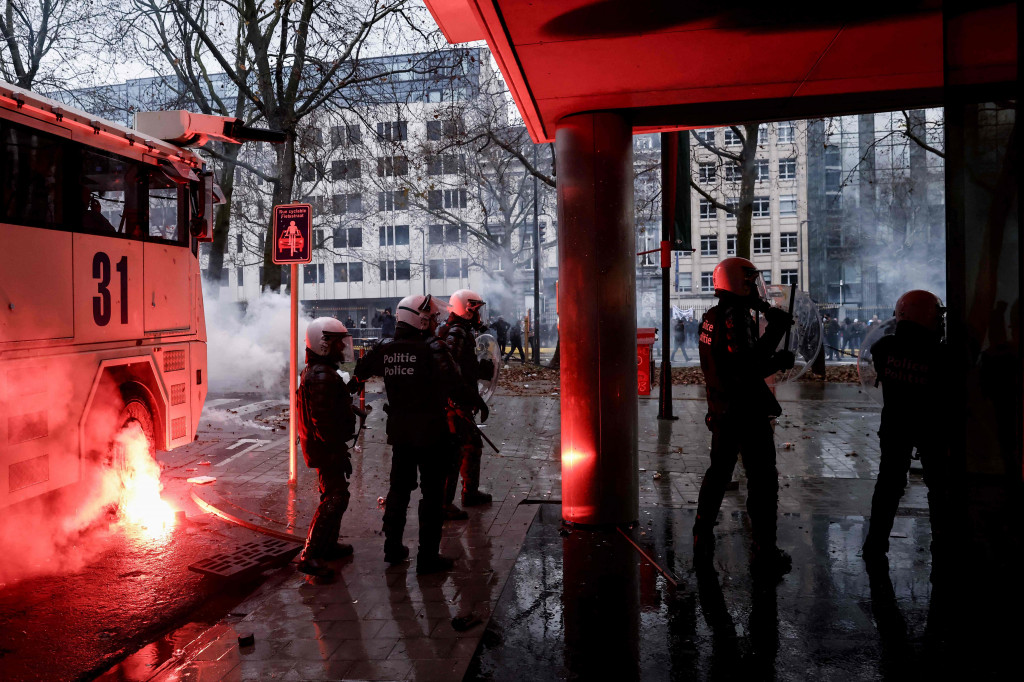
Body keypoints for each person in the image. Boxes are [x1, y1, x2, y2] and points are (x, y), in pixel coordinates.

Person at [693, 257, 796, 578]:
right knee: (763, 480)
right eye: (751, 282)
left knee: (718, 475)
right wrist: (777, 349)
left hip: (722, 408)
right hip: (745, 411)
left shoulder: (713, 316)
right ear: (740, 284)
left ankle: (701, 538)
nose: (756, 288)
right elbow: (746, 367)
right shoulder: (736, 317)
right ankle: (765, 550)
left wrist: (766, 315)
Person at [352, 294, 468, 574]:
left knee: (399, 490)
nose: (436, 322)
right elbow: (456, 385)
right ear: (421, 319)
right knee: (431, 495)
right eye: (432, 317)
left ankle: (392, 548)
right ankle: (427, 558)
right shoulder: (434, 347)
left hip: (400, 432)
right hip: (432, 432)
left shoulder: (385, 347)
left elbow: (359, 373)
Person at [862, 291, 949, 578]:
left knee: (888, 485)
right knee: (939, 487)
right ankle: (942, 544)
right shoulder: (939, 354)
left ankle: (875, 543)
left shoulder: (884, 347)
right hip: (931, 427)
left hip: (895, 424)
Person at [295, 318, 358, 578]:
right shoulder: (321, 375)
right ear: (323, 343)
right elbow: (322, 420)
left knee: (335, 495)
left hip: (325, 447)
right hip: (326, 449)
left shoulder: (320, 371)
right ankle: (310, 555)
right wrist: (336, 452)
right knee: (335, 497)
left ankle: (328, 546)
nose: (342, 346)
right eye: (338, 341)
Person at [439, 289, 494, 517]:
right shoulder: (457, 333)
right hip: (456, 404)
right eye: (476, 310)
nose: (479, 315)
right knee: (455, 452)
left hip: (461, 400)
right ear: (466, 309)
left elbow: (462, 366)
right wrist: (457, 402)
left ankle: (469, 492)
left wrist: (478, 370)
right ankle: (444, 504)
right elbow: (449, 370)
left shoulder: (460, 331)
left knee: (472, 445)